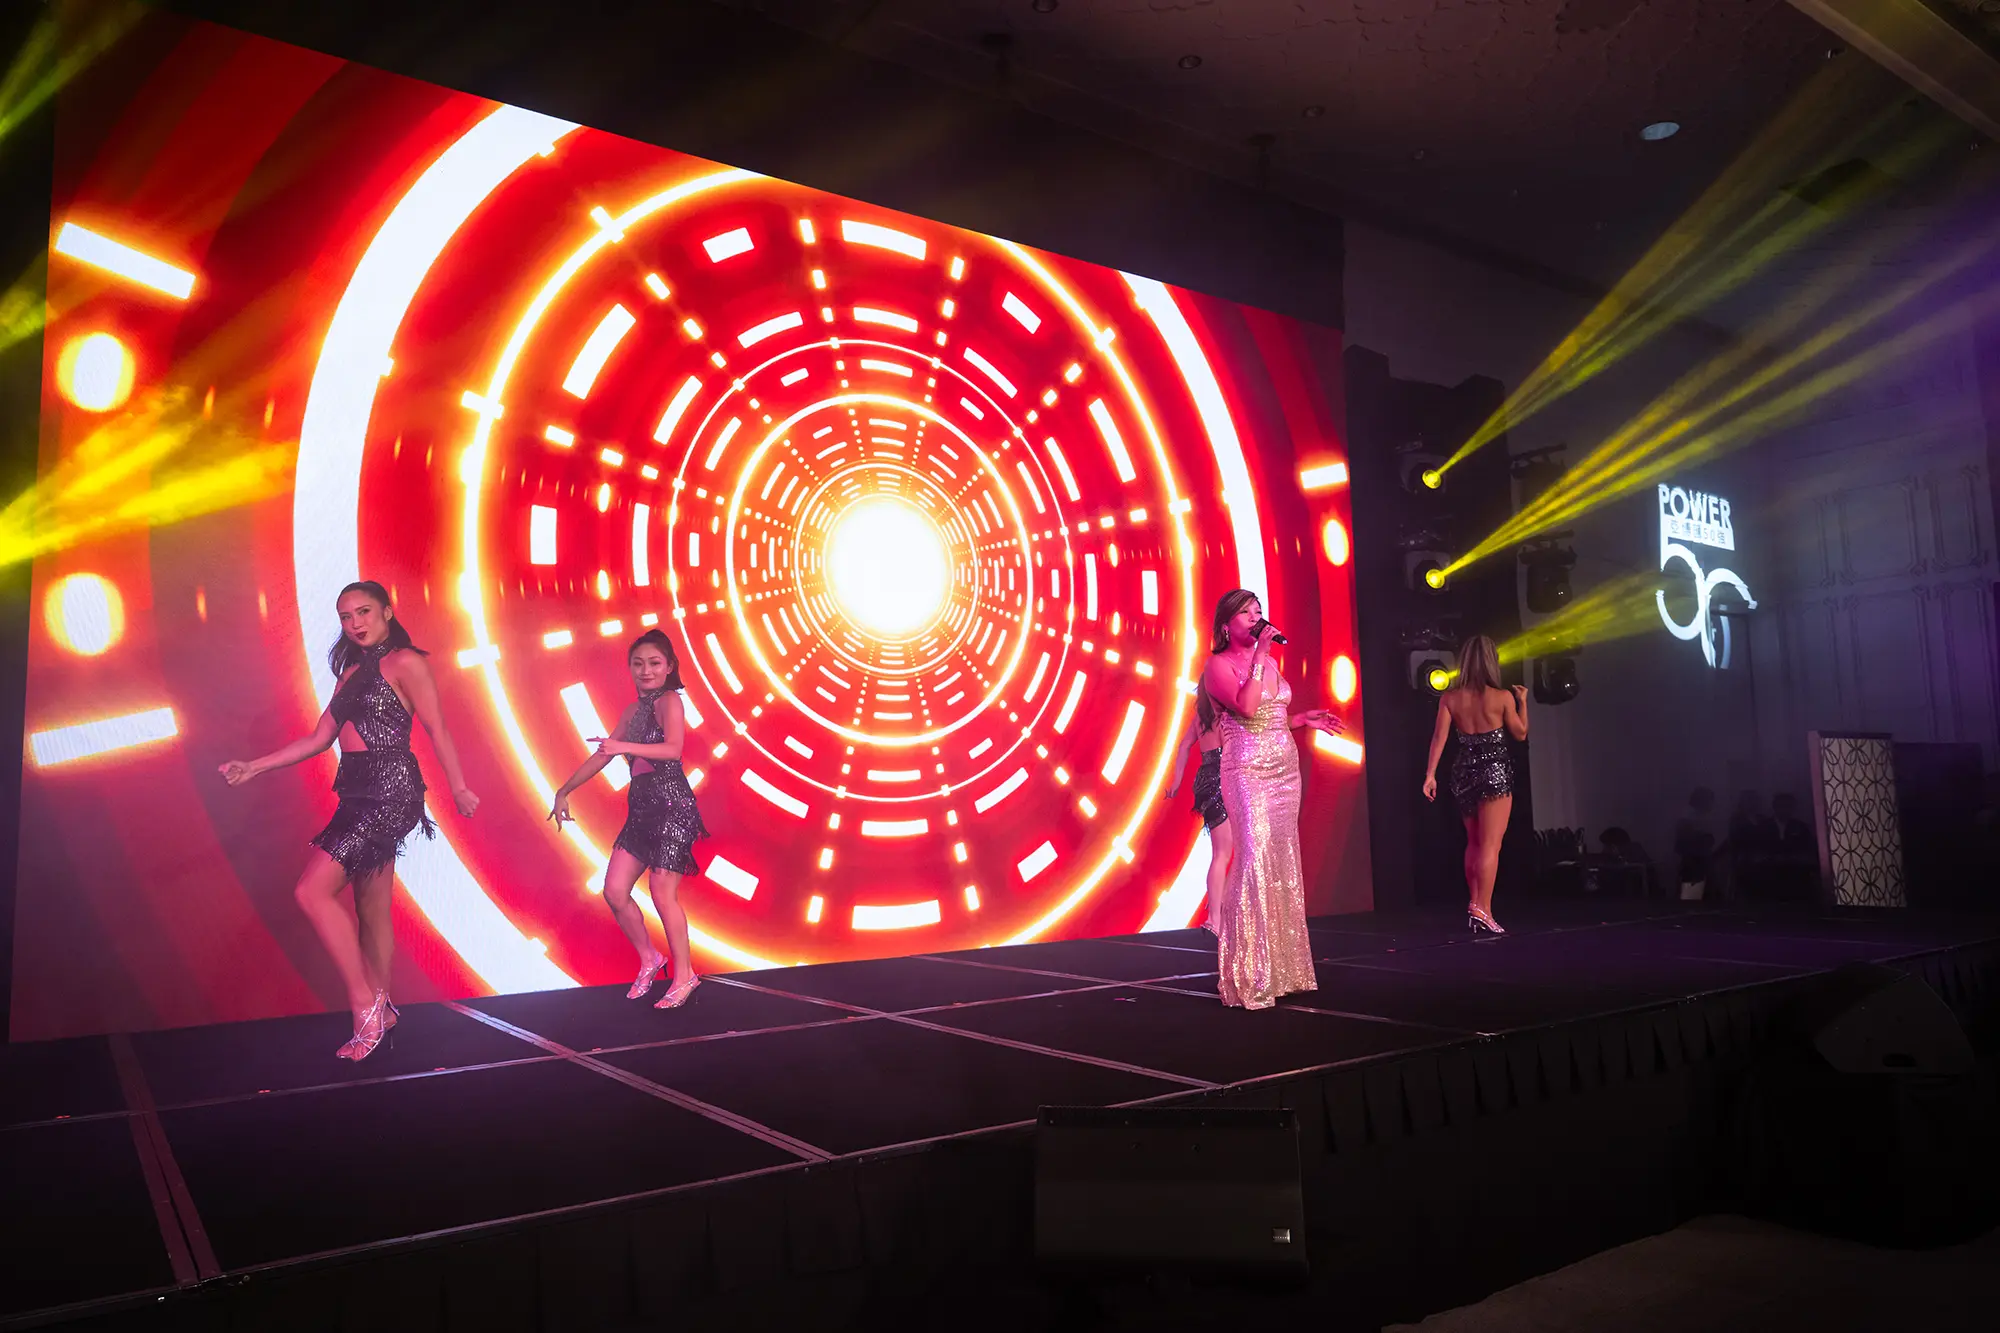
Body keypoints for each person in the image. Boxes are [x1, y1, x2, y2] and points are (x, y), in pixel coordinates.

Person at [220, 581, 479, 1061]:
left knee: (311, 891)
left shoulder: (406, 662)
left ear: (387, 611)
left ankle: (364, 1003)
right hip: (355, 791)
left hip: (390, 792)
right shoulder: (351, 673)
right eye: (346, 616)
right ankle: (382, 1007)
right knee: (371, 908)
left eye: (364, 611)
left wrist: (459, 786)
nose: (355, 623)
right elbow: (320, 738)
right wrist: (254, 767)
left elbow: (437, 728)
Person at [1200, 589, 1344, 1009]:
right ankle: (1248, 975)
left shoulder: (1270, 663)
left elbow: (1270, 714)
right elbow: (1247, 708)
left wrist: (1301, 719)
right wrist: (1261, 654)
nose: (1256, 618)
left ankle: (1282, 970)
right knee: (1253, 859)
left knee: (1281, 860)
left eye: (1258, 611)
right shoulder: (1218, 665)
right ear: (1226, 625)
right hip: (1246, 771)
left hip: (1284, 770)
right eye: (1246, 613)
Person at [549, 629, 707, 1009]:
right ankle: (651, 958)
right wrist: (564, 790)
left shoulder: (671, 700)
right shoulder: (632, 712)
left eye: (654, 663)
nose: (646, 670)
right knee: (615, 891)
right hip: (641, 811)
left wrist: (621, 745)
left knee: (661, 892)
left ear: (669, 667)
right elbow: (603, 754)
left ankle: (685, 975)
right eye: (638, 664)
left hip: (672, 807)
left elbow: (673, 749)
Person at [1421, 634, 1527, 935]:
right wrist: (1522, 702)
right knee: (1491, 845)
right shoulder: (1502, 697)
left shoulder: (1450, 698)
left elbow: (1439, 738)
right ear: (1492, 661)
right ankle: (1483, 908)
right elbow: (1520, 733)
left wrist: (1430, 775)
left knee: (1475, 843)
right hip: (1495, 772)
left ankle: (1475, 903)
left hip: (1464, 773)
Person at [1163, 687, 1230, 934]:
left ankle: (1218, 911)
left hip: (1206, 781)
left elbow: (1184, 746)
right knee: (1225, 853)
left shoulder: (1200, 715)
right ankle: (1215, 918)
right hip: (1225, 780)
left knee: (1222, 853)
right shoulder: (1226, 716)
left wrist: (1177, 782)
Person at [1674, 787, 1718, 901]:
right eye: (1710, 800)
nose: (1712, 804)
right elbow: (1681, 843)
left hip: (1702, 863)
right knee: (1692, 899)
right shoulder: (1688, 817)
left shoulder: (1702, 817)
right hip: (1693, 864)